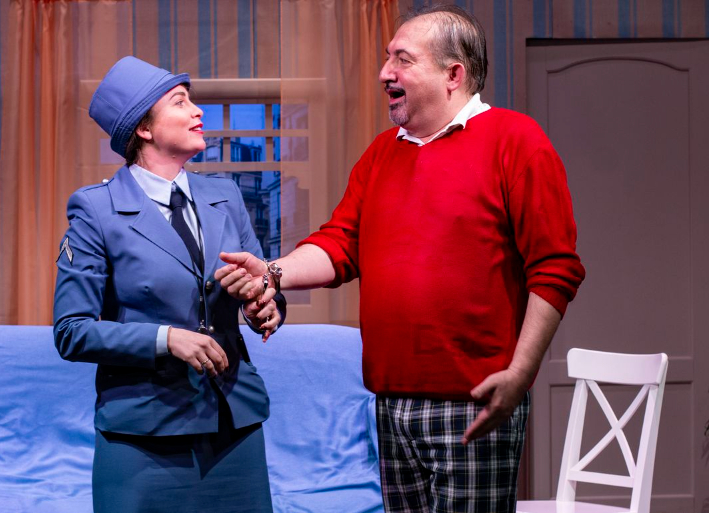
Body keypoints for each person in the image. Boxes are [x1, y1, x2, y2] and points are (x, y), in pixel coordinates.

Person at [214, 5, 585, 513]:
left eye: (402, 60)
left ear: (453, 74)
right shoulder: (382, 153)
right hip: (390, 403)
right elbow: (340, 244)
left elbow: (555, 268)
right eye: (387, 58)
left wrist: (521, 373)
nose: (384, 72)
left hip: (473, 401)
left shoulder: (516, 141)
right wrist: (273, 273)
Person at [53, 56, 285, 513]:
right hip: (142, 433)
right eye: (180, 102)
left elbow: (261, 286)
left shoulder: (226, 195)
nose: (197, 111)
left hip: (233, 423)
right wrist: (166, 339)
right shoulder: (95, 210)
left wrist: (263, 305)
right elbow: (71, 331)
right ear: (143, 128)